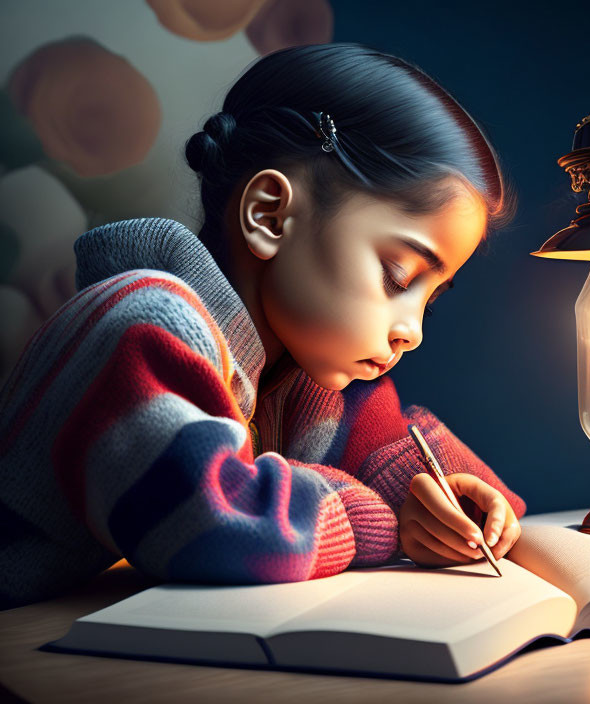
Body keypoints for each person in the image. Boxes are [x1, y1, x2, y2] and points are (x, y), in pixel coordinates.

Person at [0, 43, 526, 609]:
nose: (413, 330)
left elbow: (433, 469)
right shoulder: (144, 323)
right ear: (270, 215)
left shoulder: (299, 379)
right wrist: (385, 517)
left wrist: (461, 508)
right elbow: (211, 528)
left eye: (431, 299)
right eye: (398, 277)